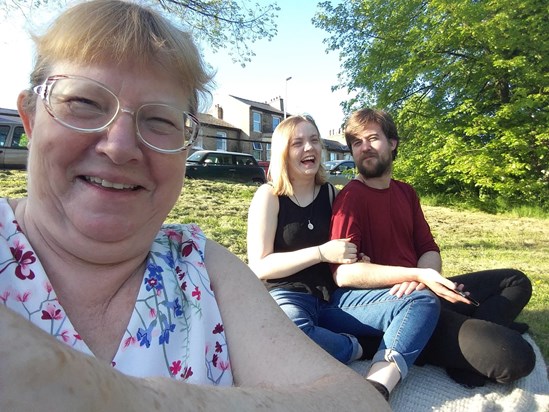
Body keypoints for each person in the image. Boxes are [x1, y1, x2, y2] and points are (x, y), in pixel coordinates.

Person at [0, 2, 391, 410]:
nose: (118, 146)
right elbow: (264, 266)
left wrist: (127, 399)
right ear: (29, 116)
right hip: (295, 302)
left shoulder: (196, 264)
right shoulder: (268, 197)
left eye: (160, 120)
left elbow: (358, 402)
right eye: (83, 102)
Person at [330, 107, 536, 387]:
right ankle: (454, 350)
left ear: (392, 143)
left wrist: (431, 279)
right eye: (357, 143)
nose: (365, 148)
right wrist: (415, 278)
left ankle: (466, 347)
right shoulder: (351, 198)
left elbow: (428, 247)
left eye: (372, 138)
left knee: (515, 281)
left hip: (425, 290)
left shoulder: (405, 192)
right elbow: (343, 274)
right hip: (399, 307)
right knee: (514, 355)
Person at [247, 113, 442, 401]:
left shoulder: (328, 193)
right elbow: (260, 266)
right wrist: (320, 252)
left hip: (332, 298)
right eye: (298, 143)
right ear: (282, 152)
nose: (309, 148)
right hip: (288, 295)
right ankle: (355, 346)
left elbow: (344, 248)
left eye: (314, 140)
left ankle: (377, 385)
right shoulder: (269, 196)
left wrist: (356, 256)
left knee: (421, 299)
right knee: (291, 334)